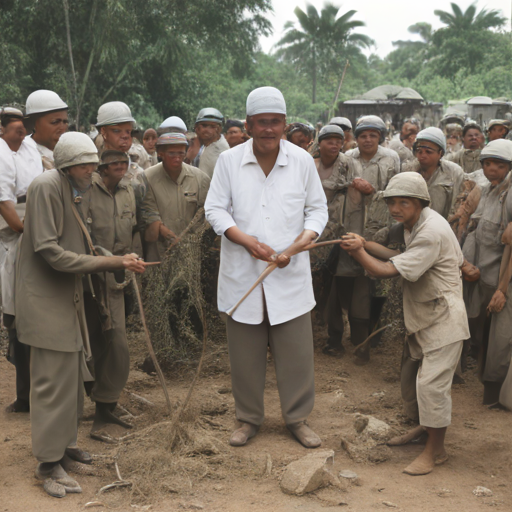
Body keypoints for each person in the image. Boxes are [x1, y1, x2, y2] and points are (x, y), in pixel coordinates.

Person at [15, 132, 148, 498]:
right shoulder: (46, 186)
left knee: (73, 381)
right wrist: (111, 261)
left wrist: (116, 255)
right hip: (46, 301)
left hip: (69, 297)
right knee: (52, 386)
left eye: (93, 164)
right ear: (66, 163)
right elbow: (49, 251)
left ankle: (65, 447)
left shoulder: (75, 186)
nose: (92, 170)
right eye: (85, 164)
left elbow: (80, 241)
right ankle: (47, 464)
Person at [205, 86, 328, 448]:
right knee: (245, 357)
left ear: (285, 124)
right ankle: (248, 419)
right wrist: (245, 240)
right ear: (248, 125)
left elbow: (317, 209)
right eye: (261, 123)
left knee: (297, 356)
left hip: (290, 273)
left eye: (275, 122)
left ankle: (297, 418)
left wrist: (303, 240)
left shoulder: (302, 160)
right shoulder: (229, 161)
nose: (269, 129)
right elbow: (215, 209)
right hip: (243, 273)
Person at [341, 172, 469, 476]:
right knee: (418, 383)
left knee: (432, 386)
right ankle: (425, 430)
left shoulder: (430, 232)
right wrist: (367, 243)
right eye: (392, 202)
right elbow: (400, 258)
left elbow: (387, 271)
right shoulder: (418, 222)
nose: (396, 209)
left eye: (404, 203)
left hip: (444, 318)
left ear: (420, 203)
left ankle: (435, 452)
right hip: (427, 314)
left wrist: (359, 252)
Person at [78, 150, 138, 436]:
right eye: (115, 164)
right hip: (90, 276)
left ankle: (105, 403)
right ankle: (97, 402)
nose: (121, 168)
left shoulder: (129, 190)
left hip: (120, 273)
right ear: (101, 169)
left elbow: (133, 226)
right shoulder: (87, 191)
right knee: (96, 338)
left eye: (124, 163)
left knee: (116, 340)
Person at [313, 125, 375, 358]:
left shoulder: (349, 165)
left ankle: (360, 342)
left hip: (347, 234)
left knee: (354, 288)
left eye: (337, 140)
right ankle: (333, 338)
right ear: (319, 143)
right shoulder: (311, 165)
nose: (333, 144)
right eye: (328, 140)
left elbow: (360, 197)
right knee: (329, 291)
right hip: (318, 235)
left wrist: (354, 238)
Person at [461, 139, 512, 402]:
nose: (492, 168)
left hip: (503, 281)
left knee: (501, 338)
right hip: (484, 276)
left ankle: (495, 394)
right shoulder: (488, 191)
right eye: (488, 163)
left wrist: (503, 289)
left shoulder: (510, 194)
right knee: (486, 333)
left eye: (499, 164)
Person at [0, 107, 43, 413]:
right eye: (17, 129)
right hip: (14, 237)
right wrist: (28, 229)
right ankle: (25, 395)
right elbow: (7, 207)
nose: (22, 135)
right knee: (16, 319)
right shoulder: (1, 155)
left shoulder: (28, 149)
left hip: (32, 230)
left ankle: (32, 394)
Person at [142, 132, 210, 262]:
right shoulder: (147, 178)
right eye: (172, 153)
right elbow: (148, 213)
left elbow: (206, 214)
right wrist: (169, 235)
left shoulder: (200, 178)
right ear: (160, 153)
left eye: (181, 153)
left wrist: (193, 240)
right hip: (159, 251)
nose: (177, 158)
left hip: (191, 251)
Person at [402, 127, 464, 219]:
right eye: (419, 151)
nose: (423, 155)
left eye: (428, 152)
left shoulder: (453, 172)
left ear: (440, 153)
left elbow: (456, 208)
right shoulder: (408, 170)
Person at [24, 89, 69, 169]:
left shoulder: (69, 151)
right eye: (55, 122)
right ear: (35, 123)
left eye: (65, 122)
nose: (62, 128)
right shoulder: (23, 150)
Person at [192, 108, 229, 178]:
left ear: (219, 129)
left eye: (212, 127)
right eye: (204, 125)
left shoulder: (220, 151)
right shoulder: (203, 145)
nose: (207, 130)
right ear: (196, 128)